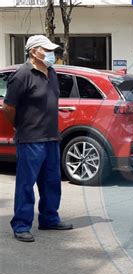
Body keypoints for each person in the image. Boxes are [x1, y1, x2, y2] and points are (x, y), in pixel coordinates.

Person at [2, 35, 73, 243]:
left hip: (51, 137)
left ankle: (49, 218)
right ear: (34, 52)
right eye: (46, 50)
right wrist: (20, 126)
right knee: (26, 184)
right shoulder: (22, 75)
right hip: (30, 138)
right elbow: (8, 107)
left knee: (52, 182)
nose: (51, 54)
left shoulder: (51, 73)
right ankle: (21, 225)